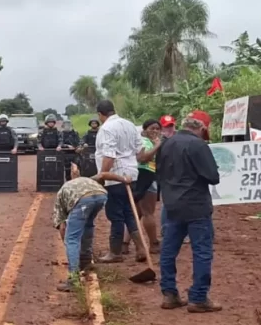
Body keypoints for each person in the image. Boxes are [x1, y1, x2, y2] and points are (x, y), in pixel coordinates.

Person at [156, 110, 221, 313]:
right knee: (201, 251)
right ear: (202, 128)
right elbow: (213, 176)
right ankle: (198, 297)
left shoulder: (166, 144)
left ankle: (169, 294)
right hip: (196, 206)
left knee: (168, 250)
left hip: (172, 205)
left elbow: (160, 174)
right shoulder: (198, 145)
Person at [52, 163, 130, 292]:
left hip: (82, 200)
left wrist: (69, 247)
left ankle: (73, 279)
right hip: (100, 194)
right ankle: (86, 261)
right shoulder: (88, 179)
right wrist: (124, 180)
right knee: (87, 224)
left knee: (72, 239)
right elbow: (105, 174)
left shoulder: (63, 191)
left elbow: (62, 227)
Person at [93, 99, 145, 263]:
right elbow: (140, 150)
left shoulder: (106, 128)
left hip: (115, 177)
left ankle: (115, 252)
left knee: (116, 215)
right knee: (129, 213)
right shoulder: (129, 124)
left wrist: (103, 174)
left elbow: (109, 155)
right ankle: (141, 248)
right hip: (132, 174)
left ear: (100, 114)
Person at [130, 119, 162, 254]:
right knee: (148, 212)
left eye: (157, 129)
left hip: (141, 176)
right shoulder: (144, 142)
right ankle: (154, 244)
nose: (155, 131)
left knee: (136, 213)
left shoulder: (144, 141)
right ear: (144, 130)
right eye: (152, 128)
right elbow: (142, 158)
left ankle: (125, 244)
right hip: (145, 176)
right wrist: (157, 145)